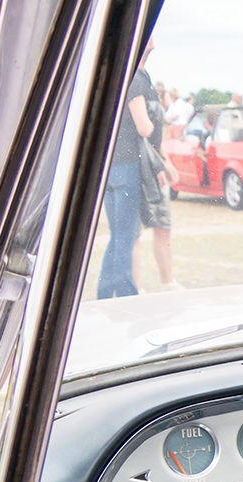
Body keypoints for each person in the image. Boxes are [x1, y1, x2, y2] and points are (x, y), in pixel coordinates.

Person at [97, 41, 157, 298]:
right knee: (125, 235)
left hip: (110, 167)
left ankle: (104, 291)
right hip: (127, 165)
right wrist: (156, 125)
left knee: (117, 234)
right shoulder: (136, 80)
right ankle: (125, 293)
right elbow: (144, 127)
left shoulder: (120, 77)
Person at [132, 51, 180, 293]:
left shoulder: (146, 79)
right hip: (141, 166)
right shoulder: (134, 80)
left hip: (155, 164)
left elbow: (156, 135)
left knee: (163, 225)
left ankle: (167, 281)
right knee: (135, 231)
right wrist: (161, 164)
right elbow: (143, 131)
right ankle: (136, 288)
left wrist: (167, 162)